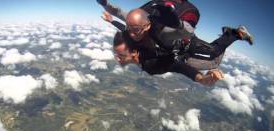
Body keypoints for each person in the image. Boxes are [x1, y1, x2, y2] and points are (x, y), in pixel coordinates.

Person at [97, 0, 254, 67]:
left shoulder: (186, 13)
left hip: (184, 40)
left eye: (137, 30)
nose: (132, 33)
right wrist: (105, 6)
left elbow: (187, 31)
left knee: (213, 54)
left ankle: (234, 33)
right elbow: (122, 16)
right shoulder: (147, 13)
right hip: (172, 35)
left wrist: (176, 23)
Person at [112, 31, 223, 86]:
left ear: (134, 53)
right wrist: (111, 20)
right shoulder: (140, 47)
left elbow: (179, 67)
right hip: (183, 44)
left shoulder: (152, 61)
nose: (117, 59)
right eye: (116, 55)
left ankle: (229, 35)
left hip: (185, 55)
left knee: (214, 62)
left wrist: (201, 79)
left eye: (121, 56)